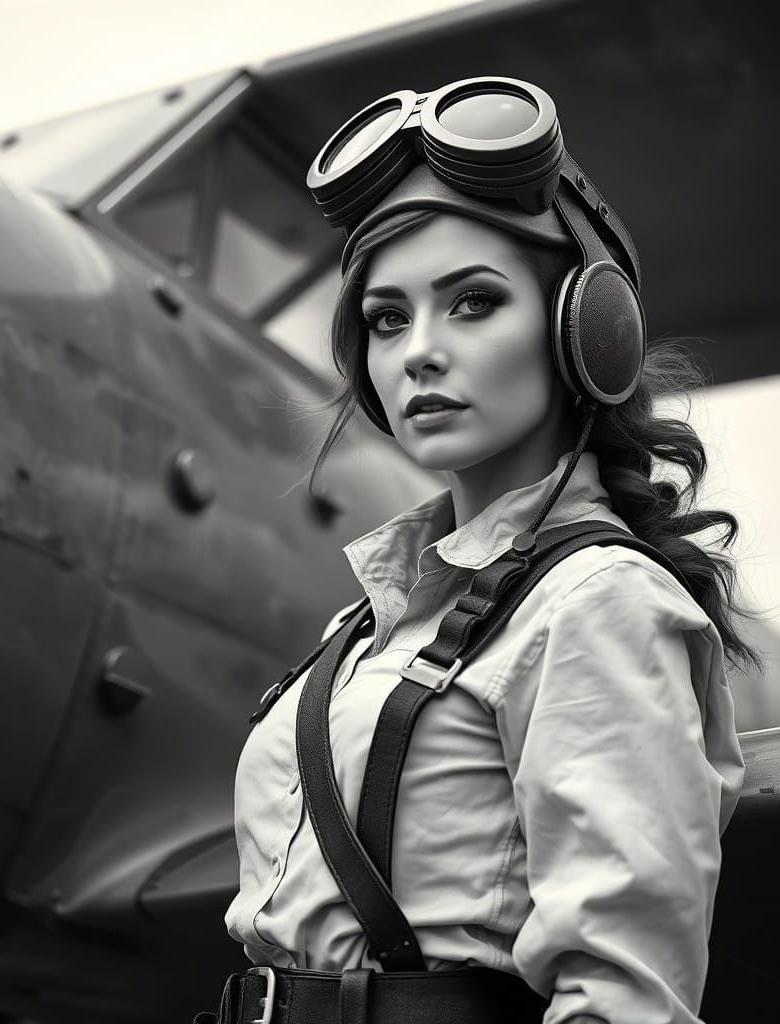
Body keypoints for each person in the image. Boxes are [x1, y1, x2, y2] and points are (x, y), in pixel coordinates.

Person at [202, 78, 759, 1024]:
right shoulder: (362, 625)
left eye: (471, 303)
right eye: (387, 318)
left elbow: (627, 999)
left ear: (586, 329)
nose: (418, 350)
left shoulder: (597, 601)